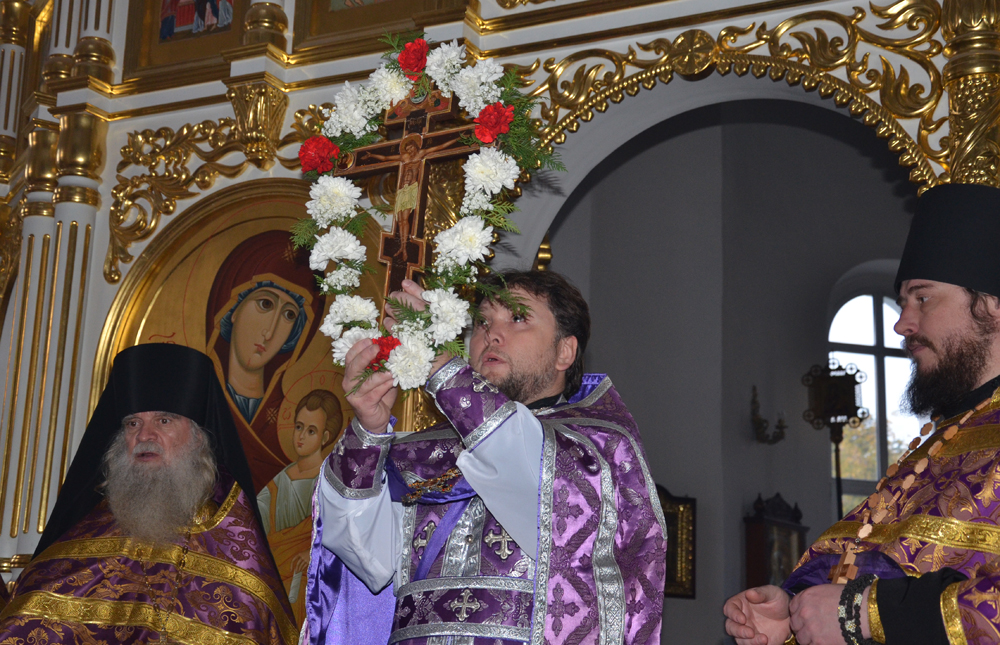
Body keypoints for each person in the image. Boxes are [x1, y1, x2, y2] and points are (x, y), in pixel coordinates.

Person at [303, 270, 667, 645]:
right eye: (482, 322)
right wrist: (369, 429)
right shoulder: (422, 451)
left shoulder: (592, 449)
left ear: (565, 352)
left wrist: (440, 365)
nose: (491, 334)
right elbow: (364, 555)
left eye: (518, 317)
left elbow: (527, 474)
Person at [724, 183, 1000, 645]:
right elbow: (866, 559)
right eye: (902, 302)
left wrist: (866, 613)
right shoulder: (940, 442)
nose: (902, 323)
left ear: (991, 304)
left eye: (922, 298)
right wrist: (792, 611)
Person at [0, 343, 298, 643]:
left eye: (163, 421)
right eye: (133, 424)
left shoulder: (235, 541)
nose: (144, 435)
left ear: (198, 438)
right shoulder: (84, 536)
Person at [206, 230, 325, 491]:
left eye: (289, 315)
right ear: (232, 309)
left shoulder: (299, 418)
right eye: (265, 304)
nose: (270, 332)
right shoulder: (197, 405)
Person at [258, 389, 344, 624]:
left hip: (310, 585)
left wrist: (315, 553)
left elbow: (344, 534)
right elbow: (255, 523)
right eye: (298, 427)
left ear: (325, 437)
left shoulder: (331, 483)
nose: (301, 436)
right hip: (273, 579)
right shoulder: (277, 482)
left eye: (311, 431)